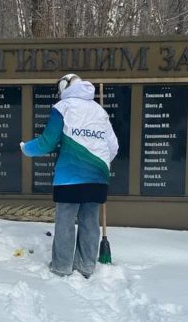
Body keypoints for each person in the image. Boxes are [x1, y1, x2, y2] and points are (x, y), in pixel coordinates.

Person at [20, 73, 119, 278]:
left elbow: (47, 142)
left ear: (64, 87)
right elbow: (113, 147)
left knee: (65, 221)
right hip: (99, 175)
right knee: (90, 221)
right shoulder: (99, 111)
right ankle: (86, 266)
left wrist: (26, 148)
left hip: (69, 177)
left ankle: (62, 266)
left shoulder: (62, 107)